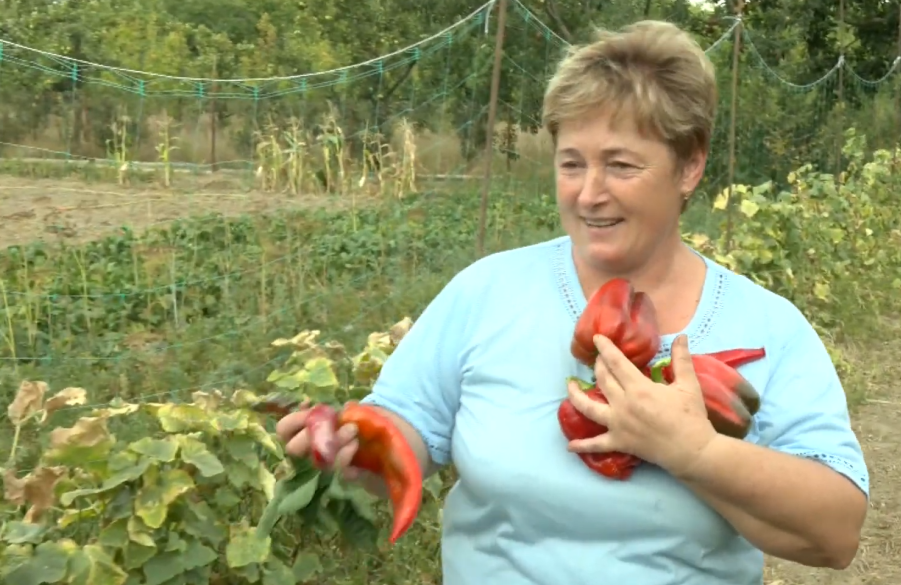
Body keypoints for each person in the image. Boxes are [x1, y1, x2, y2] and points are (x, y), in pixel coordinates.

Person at [276, 19, 869, 584]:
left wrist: (693, 451)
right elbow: (409, 433)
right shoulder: (487, 292)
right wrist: (356, 449)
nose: (589, 194)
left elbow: (836, 533)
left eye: (620, 165)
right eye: (571, 164)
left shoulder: (767, 326)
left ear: (690, 166)